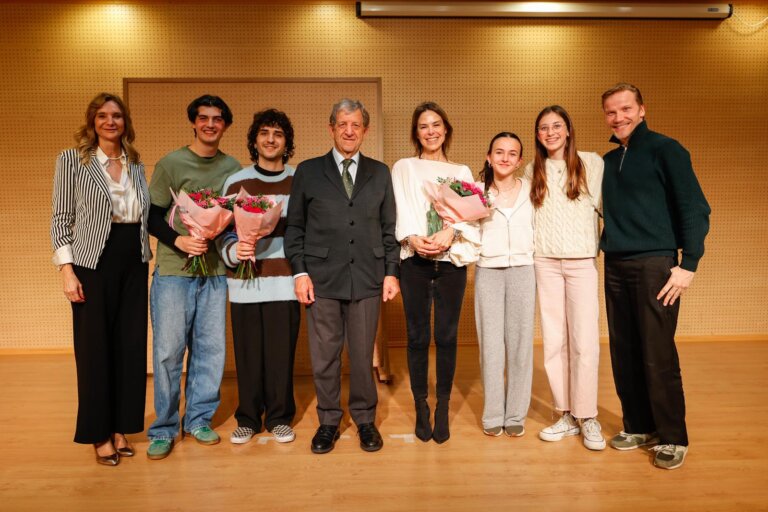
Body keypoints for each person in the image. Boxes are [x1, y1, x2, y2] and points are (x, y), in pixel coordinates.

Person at [601, 83, 710, 469]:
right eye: (611, 112)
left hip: (655, 265)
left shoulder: (667, 150)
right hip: (615, 264)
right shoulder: (608, 161)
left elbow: (694, 207)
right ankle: (639, 425)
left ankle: (673, 436)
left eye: (626, 109)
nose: (619, 117)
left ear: (642, 109)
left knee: (657, 352)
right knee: (624, 349)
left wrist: (688, 264)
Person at [284, 99, 400, 454]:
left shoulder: (380, 172)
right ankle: (329, 421)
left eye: (356, 125)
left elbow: (389, 228)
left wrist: (391, 272)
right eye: (342, 124)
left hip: (367, 277)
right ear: (331, 128)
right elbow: (295, 227)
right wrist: (300, 272)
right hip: (321, 278)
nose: (349, 131)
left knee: (363, 356)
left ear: (365, 130)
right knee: (325, 356)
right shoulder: (308, 171)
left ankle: (365, 419)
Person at [51, 92, 152, 466]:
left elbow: (143, 213)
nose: (111, 122)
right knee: (94, 349)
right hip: (92, 262)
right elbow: (61, 218)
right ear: (92, 121)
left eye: (117, 116)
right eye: (103, 116)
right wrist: (67, 270)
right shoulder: (72, 160)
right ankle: (98, 432)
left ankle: (122, 426)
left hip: (134, 260)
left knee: (130, 347)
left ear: (125, 122)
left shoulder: (135, 164)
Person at [145, 95, 241, 460]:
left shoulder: (232, 167)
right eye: (204, 118)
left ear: (225, 125)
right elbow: (152, 216)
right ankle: (164, 428)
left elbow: (233, 218)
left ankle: (199, 419)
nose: (210, 124)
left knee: (210, 350)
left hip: (214, 272)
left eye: (217, 119)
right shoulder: (171, 163)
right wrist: (179, 240)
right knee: (168, 351)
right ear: (194, 122)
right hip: (174, 271)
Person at [391, 102, 481, 444]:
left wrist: (451, 232)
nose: (431, 131)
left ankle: (442, 407)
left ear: (446, 129)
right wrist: (411, 238)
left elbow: (473, 217)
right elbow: (397, 210)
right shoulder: (404, 167)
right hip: (414, 262)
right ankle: (420, 406)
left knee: (446, 336)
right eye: (423, 126)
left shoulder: (461, 171)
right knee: (416, 337)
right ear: (416, 133)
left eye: (436, 124)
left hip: (450, 263)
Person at [524, 105, 606, 451]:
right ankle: (566, 414)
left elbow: (604, 207)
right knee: (554, 341)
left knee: (584, 341)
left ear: (568, 129)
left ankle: (588, 416)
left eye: (557, 126)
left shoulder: (592, 163)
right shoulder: (533, 169)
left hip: (581, 261)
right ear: (538, 135)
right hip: (545, 262)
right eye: (544, 128)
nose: (551, 133)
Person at [217, 108, 300, 445]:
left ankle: (280, 417)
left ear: (286, 142)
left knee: (281, 355)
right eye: (264, 133)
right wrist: (234, 251)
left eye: (278, 134)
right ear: (254, 141)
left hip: (285, 283)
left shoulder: (299, 179)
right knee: (249, 355)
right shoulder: (236, 181)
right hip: (245, 284)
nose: (270, 139)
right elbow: (221, 230)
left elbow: (305, 231)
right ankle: (248, 418)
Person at [474, 132, 535, 438]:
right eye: (499, 152)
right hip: (488, 271)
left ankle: (515, 414)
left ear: (520, 160)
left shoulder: (533, 190)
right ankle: (493, 413)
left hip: (524, 270)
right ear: (489, 157)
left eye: (512, 153)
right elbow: (467, 230)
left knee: (521, 344)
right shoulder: (476, 192)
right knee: (491, 345)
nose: (505, 158)